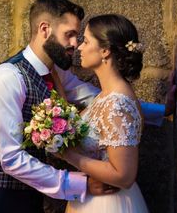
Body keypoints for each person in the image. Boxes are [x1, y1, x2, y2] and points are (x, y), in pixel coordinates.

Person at [0, 0, 172, 213]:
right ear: (45, 29)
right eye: (69, 35)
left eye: (80, 37)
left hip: (36, 197)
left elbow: (106, 101)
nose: (75, 44)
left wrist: (163, 111)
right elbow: (11, 158)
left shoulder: (58, 74)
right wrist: (78, 184)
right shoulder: (8, 78)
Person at [56, 14, 149, 213]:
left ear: (105, 51)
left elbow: (124, 175)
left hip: (109, 204)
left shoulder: (117, 103)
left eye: (86, 41)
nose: (79, 47)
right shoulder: (105, 96)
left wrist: (69, 155)